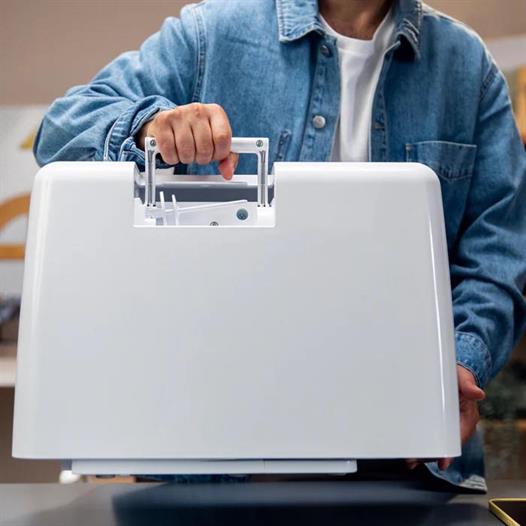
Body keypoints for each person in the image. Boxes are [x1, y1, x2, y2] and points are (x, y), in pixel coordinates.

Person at [34, 0, 526, 492]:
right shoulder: (210, 35)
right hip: (205, 464)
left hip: (402, 465)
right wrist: (149, 126)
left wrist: (460, 361)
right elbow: (60, 132)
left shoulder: (466, 66)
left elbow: (498, 252)